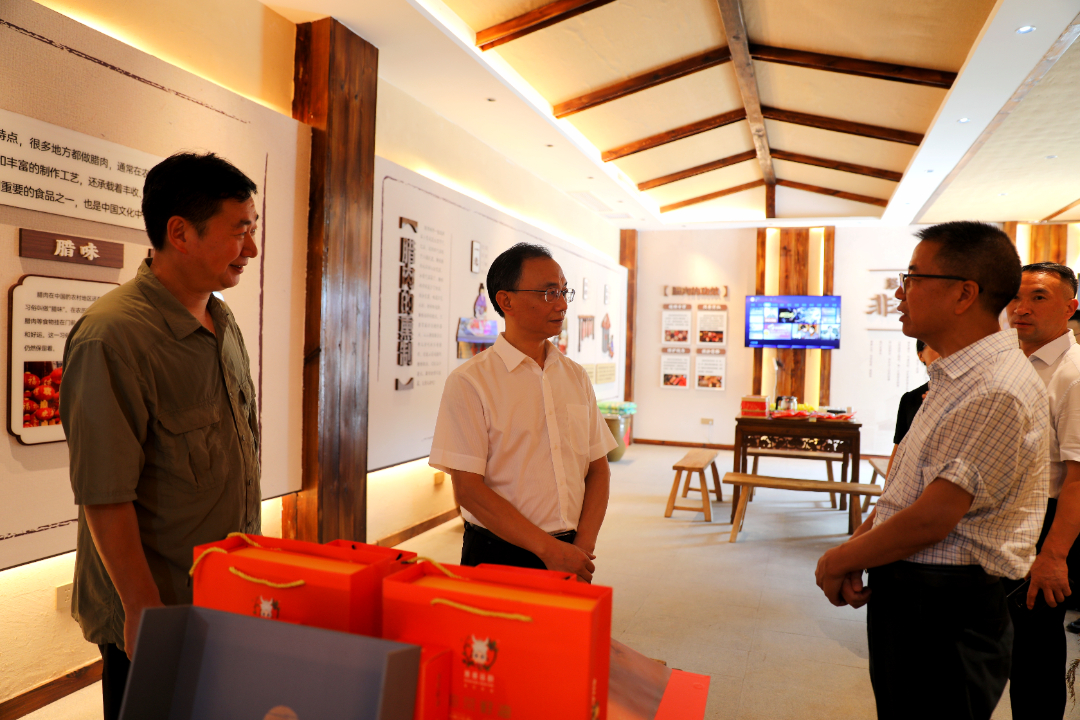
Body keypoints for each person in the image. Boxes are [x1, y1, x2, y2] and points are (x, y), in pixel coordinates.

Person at [815, 221, 1048, 720]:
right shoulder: (956, 374)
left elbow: (931, 518)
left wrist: (838, 559)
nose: (900, 293)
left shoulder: (994, 387)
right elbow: (907, 489)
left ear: (964, 293)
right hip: (920, 593)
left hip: (946, 607)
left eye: (914, 277)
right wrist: (861, 544)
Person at [60, 153, 262, 720]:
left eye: (253, 229)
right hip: (159, 611)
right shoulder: (112, 336)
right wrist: (142, 608)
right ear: (180, 233)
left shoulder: (222, 322)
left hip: (225, 597)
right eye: (239, 231)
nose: (251, 248)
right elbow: (105, 492)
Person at [429, 242, 617, 582]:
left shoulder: (575, 376)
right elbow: (469, 489)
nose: (562, 304)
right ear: (506, 301)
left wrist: (581, 548)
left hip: (571, 553)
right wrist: (549, 550)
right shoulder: (470, 382)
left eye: (564, 291)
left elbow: (598, 469)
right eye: (549, 293)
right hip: (498, 553)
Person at [1005, 261, 1080, 718]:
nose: (1022, 308)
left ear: (1070, 308)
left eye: (1038, 297)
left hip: (1048, 523)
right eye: (1016, 297)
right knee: (1009, 646)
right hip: (1010, 517)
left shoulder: (1074, 374)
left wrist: (1054, 555)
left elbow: (1079, 477)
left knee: (1034, 651)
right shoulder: (1014, 361)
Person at [886, 339, 941, 477]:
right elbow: (898, 447)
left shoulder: (963, 395)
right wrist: (887, 485)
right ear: (921, 355)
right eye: (934, 344)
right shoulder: (909, 399)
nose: (942, 351)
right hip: (912, 476)